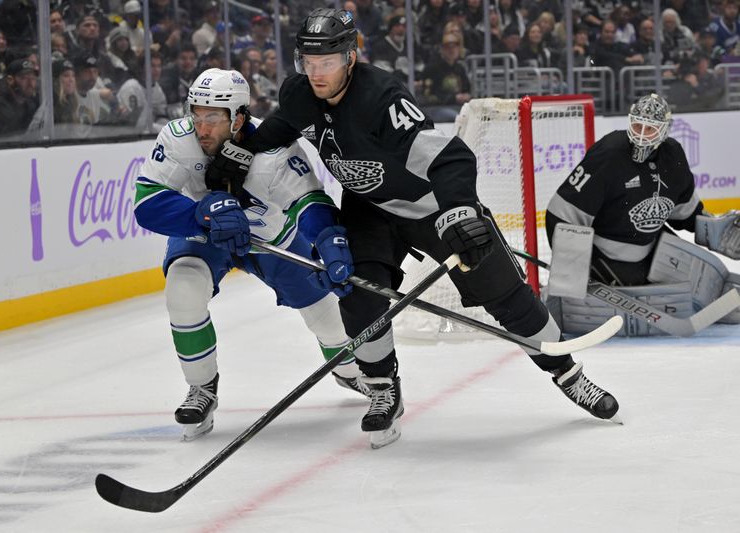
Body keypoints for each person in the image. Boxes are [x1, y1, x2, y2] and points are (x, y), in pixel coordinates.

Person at [209, 8, 621, 449]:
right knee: (358, 293)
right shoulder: (299, 94)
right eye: (308, 64)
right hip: (368, 209)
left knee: (506, 295)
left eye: (326, 63)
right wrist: (234, 160)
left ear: (350, 57)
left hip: (429, 206)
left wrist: (460, 211)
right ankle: (384, 388)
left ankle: (567, 374)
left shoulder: (382, 98)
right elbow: (276, 131)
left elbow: (451, 157)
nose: (316, 73)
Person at [132, 68, 366, 441]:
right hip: (205, 234)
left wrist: (327, 238)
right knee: (183, 287)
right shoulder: (178, 139)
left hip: (273, 238)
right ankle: (202, 389)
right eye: (196, 114)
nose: (201, 127)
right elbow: (147, 204)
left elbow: (309, 201)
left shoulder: (274, 149)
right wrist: (199, 213)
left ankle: (350, 371)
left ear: (238, 117)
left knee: (328, 322)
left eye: (212, 117)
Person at [545, 93, 740, 333]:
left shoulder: (673, 155)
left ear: (665, 129)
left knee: (702, 278)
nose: (641, 133)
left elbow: (684, 212)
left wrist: (714, 229)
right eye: (638, 125)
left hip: (654, 246)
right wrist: (575, 270)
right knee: (672, 296)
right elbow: (561, 214)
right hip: (606, 255)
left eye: (650, 128)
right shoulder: (609, 153)